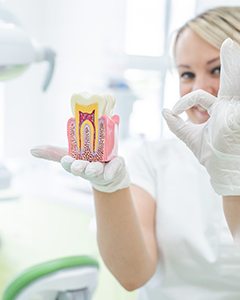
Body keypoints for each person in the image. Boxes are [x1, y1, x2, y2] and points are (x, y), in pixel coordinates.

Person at [31, 6, 240, 300]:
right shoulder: (153, 158)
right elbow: (133, 274)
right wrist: (108, 188)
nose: (198, 88)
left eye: (216, 69)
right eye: (186, 74)